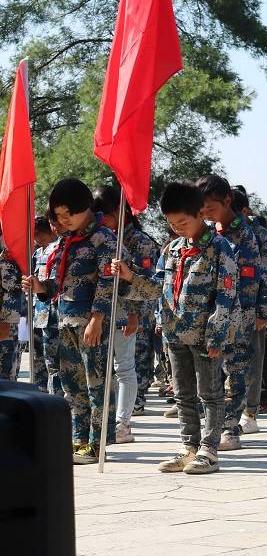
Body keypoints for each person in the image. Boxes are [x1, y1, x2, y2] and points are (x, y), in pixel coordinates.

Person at [116, 181, 237, 475]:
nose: (178, 228)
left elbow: (227, 294)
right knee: (182, 394)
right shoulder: (171, 249)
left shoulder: (220, 247)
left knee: (210, 392)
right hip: (174, 333)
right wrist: (129, 276)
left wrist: (217, 333)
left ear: (200, 214)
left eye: (183, 222)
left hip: (206, 335)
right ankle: (189, 447)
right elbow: (158, 286)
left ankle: (209, 449)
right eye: (172, 223)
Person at [23, 178, 121, 465]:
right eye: (58, 216)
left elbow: (108, 281)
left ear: (86, 207)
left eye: (68, 214)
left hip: (92, 323)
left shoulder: (103, 238)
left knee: (97, 382)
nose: (63, 221)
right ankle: (78, 439)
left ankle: (97, 442)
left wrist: (98, 318)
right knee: (72, 383)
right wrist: (41, 287)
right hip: (64, 321)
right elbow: (60, 282)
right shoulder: (67, 241)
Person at [198, 174, 267, 452]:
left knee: (236, 372)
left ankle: (231, 427)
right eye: (201, 210)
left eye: (210, 208)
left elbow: (266, 276)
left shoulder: (248, 235)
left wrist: (264, 311)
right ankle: (213, 425)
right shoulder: (206, 235)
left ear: (228, 201)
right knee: (211, 375)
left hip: (241, 315)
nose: (206, 214)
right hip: (211, 314)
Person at [93, 185, 160, 444]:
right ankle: (104, 421)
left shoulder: (141, 242)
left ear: (120, 212)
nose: (101, 222)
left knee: (124, 368)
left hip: (126, 314)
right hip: (101, 313)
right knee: (102, 370)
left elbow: (145, 284)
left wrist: (135, 315)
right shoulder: (99, 238)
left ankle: (122, 423)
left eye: (105, 216)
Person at [231, 186, 267, 433]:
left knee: (253, 359)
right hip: (226, 308)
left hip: (251, 309)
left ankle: (250, 412)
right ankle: (229, 411)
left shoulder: (258, 234)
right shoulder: (219, 232)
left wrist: (265, 313)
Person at [30, 216, 59, 394]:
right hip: (37, 312)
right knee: (37, 357)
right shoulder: (37, 253)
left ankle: (54, 396)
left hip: (52, 314)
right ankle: (39, 392)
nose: (36, 238)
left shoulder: (57, 249)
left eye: (38, 234)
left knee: (52, 359)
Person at [0, 228, 22, 379]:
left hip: (2, 323)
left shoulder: (6, 244)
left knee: (4, 378)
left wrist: (6, 322)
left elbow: (12, 288)